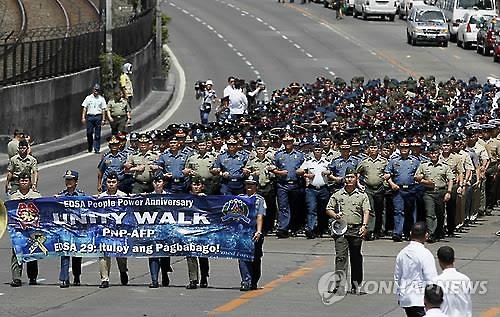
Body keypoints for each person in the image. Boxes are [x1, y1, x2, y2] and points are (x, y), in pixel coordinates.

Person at [325, 167, 370, 295]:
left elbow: (366, 211)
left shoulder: (362, 195)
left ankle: (356, 285)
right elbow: (328, 208)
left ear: (356, 178)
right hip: (341, 230)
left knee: (356, 257)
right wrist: (334, 215)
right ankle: (339, 285)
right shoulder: (338, 194)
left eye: (352, 177)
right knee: (341, 257)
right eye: (347, 177)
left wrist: (364, 226)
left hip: (356, 229)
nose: (349, 179)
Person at [394, 222, 438, 317]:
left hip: (406, 298)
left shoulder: (402, 253)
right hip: (420, 300)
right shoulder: (425, 254)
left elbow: (397, 276)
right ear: (426, 235)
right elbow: (431, 279)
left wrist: (399, 294)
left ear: (410, 233)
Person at [414, 144, 455, 242]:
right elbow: (416, 177)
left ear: (438, 153)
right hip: (429, 192)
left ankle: (439, 231)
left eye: (435, 153)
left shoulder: (444, 166)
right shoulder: (424, 165)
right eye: (431, 153)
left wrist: (448, 192)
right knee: (430, 213)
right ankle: (431, 233)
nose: (433, 155)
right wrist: (425, 182)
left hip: (441, 192)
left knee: (440, 213)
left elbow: (450, 179)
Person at [385, 138, 421, 242]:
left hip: (411, 189)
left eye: (406, 147)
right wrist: (392, 184)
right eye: (402, 147)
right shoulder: (394, 160)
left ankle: (411, 233)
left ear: (409, 149)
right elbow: (387, 174)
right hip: (398, 189)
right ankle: (398, 233)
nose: (404, 149)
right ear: (399, 148)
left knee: (411, 212)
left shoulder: (415, 161)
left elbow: (421, 174)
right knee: (398, 211)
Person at [97, 172, 129, 288]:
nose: (111, 184)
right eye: (109, 182)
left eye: (113, 182)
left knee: (120, 256)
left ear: (117, 183)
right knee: (103, 254)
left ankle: (123, 271)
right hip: (105, 231)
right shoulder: (100, 198)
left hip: (119, 231)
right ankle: (104, 279)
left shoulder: (123, 196)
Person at [9, 172, 41, 287]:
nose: (24, 182)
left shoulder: (36, 196)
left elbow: (41, 210)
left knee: (32, 252)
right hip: (18, 230)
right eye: (21, 180)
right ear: (18, 182)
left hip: (32, 229)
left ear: (30, 182)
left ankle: (32, 277)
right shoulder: (13, 197)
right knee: (16, 253)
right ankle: (16, 277)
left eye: (26, 180)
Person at [272, 132, 305, 238]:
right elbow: (271, 167)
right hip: (283, 184)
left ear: (293, 142)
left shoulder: (300, 155)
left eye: (290, 141)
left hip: (296, 184)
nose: (288, 143)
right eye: (286, 141)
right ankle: (283, 228)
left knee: (296, 207)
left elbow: (306, 166)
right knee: (283, 207)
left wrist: (303, 171)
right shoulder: (279, 155)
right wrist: (278, 172)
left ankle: (295, 227)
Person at [56, 170, 85, 288]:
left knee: (77, 254)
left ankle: (77, 276)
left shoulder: (82, 196)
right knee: (64, 252)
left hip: (78, 229)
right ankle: (64, 278)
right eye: (67, 179)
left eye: (71, 180)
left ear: (76, 182)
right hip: (65, 229)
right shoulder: (61, 196)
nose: (68, 182)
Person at [297, 142, 331, 239]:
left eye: (319, 150)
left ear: (322, 151)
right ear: (313, 151)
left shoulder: (326, 161)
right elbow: (299, 171)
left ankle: (321, 229)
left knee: (323, 210)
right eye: (316, 150)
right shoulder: (309, 161)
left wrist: (328, 172)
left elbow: (332, 170)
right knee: (311, 209)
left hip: (323, 189)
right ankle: (310, 229)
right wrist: (306, 175)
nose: (317, 151)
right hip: (311, 189)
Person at [238, 175, 266, 291]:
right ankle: (245, 280)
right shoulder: (240, 198)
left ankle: (254, 281)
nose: (249, 186)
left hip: (254, 231)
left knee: (255, 258)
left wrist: (259, 231)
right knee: (242, 257)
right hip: (242, 232)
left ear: (256, 186)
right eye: (247, 184)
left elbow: (260, 216)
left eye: (252, 184)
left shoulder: (259, 200)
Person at [147, 171, 173, 288]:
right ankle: (154, 280)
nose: (157, 184)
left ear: (163, 183)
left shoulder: (170, 197)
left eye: (159, 181)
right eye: (155, 181)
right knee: (153, 253)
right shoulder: (147, 197)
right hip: (152, 230)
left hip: (166, 230)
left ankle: (165, 273)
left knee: (165, 254)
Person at [185, 176, 210, 289]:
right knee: (190, 255)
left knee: (203, 255)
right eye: (194, 184)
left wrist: (204, 200)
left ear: (202, 186)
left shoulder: (207, 198)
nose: (196, 187)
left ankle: (204, 277)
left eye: (198, 185)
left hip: (203, 230)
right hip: (189, 230)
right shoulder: (185, 198)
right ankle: (193, 279)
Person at [435, 246, 472, 317]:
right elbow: (468, 303)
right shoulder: (465, 279)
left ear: (439, 261)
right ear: (454, 259)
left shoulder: (436, 281)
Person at [81, 83, 107, 154]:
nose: (96, 91)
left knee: (97, 134)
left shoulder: (101, 99)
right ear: (93, 90)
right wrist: (83, 117)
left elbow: (104, 109)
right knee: (89, 132)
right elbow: (85, 108)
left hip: (98, 116)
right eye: (95, 90)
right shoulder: (88, 98)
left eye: (98, 90)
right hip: (90, 116)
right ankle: (90, 146)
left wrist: (103, 119)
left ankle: (97, 148)